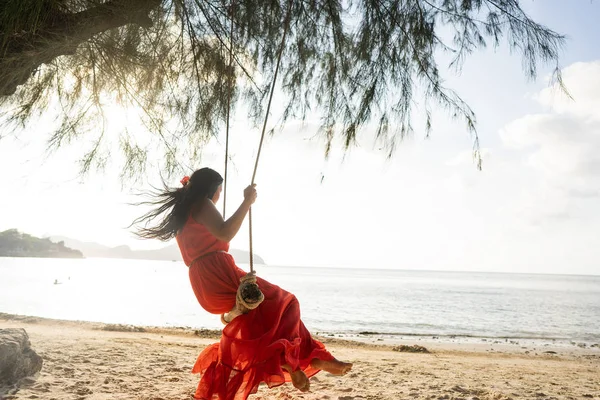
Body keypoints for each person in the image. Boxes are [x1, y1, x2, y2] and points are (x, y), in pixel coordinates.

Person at [133, 167, 352, 399]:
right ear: (211, 189)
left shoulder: (184, 211)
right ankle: (307, 358)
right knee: (286, 302)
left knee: (260, 319)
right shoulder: (203, 204)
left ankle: (296, 363)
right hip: (218, 272)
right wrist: (247, 202)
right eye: (219, 191)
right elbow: (225, 233)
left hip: (203, 284)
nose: (219, 196)